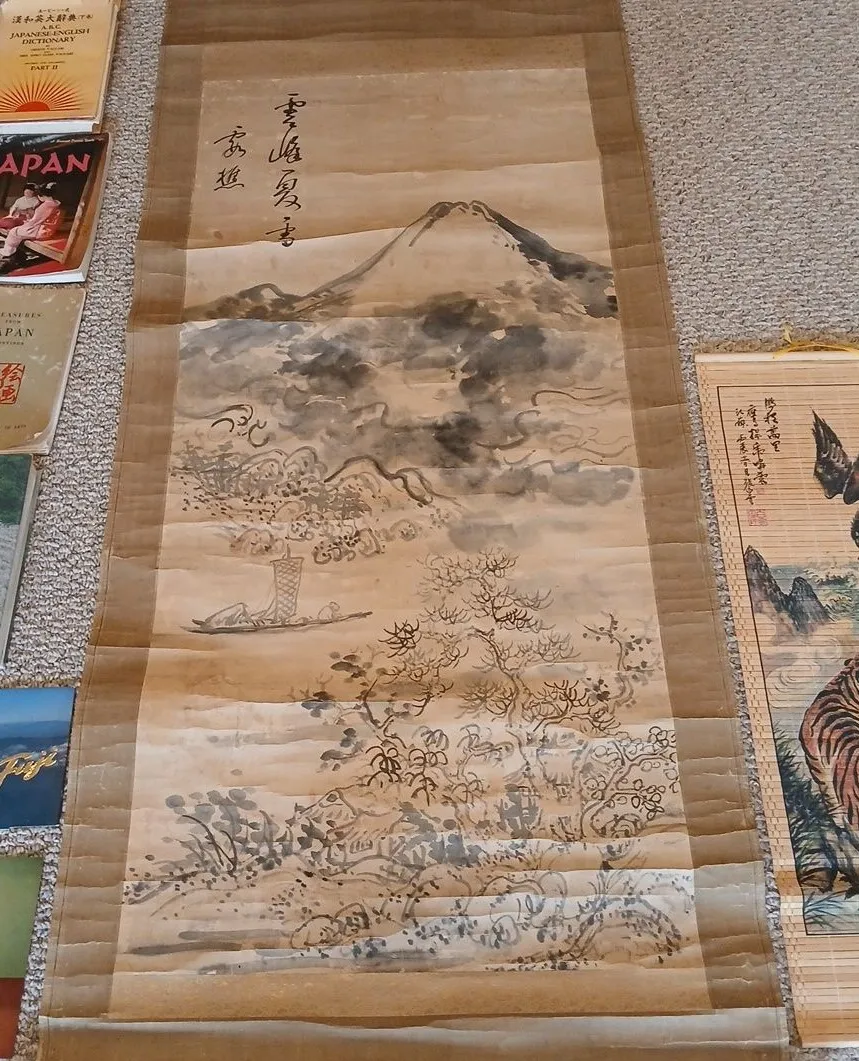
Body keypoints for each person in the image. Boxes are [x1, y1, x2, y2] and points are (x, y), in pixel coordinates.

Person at [0, 182, 63, 274]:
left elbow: (35, 221)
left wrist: (26, 223)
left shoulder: (44, 206)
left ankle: (8, 252)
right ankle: (16, 253)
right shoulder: (55, 204)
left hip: (40, 230)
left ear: (41, 196)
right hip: (47, 229)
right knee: (16, 227)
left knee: (14, 232)